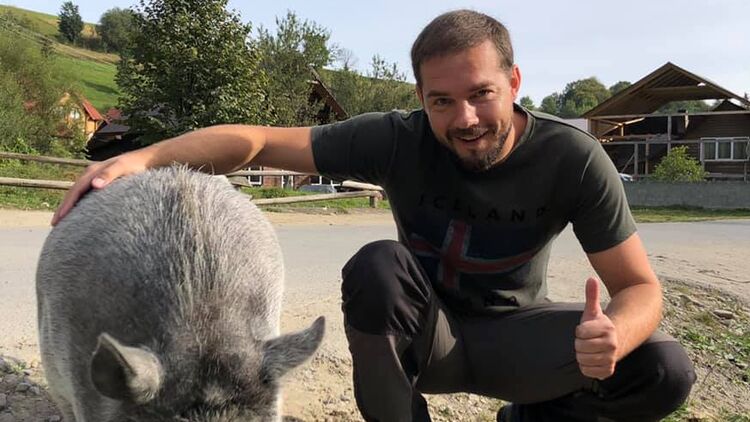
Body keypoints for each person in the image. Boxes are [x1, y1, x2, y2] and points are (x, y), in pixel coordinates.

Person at [54, 9, 695, 422]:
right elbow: (256, 141)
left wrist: (616, 334)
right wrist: (143, 157)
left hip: (515, 334)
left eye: (481, 94)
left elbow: (640, 288)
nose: (465, 118)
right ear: (421, 97)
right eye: (442, 101)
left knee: (663, 370)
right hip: (427, 338)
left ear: (514, 82)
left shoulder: (573, 158)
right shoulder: (395, 139)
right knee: (379, 267)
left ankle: (533, 417)